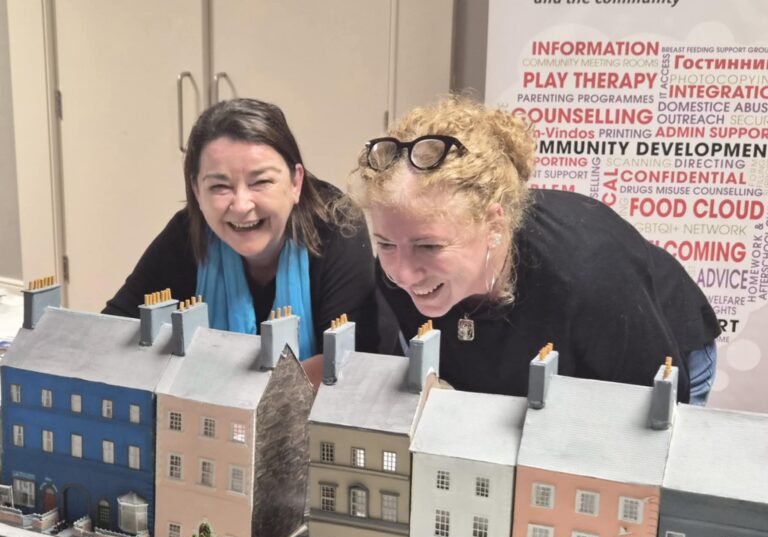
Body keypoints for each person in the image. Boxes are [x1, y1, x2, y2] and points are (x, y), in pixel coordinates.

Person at [345, 95, 720, 404]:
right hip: (521, 365)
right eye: (386, 243)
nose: (403, 273)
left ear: (495, 225)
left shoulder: (587, 274)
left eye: (429, 245)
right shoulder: (396, 271)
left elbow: (658, 414)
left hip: (649, 350)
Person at [104, 99, 398, 385]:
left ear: (296, 182)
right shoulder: (187, 232)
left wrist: (227, 392)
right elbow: (113, 329)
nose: (241, 205)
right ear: (196, 190)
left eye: (261, 182)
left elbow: (345, 363)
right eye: (220, 186)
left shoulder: (337, 225)